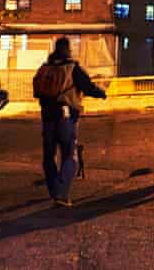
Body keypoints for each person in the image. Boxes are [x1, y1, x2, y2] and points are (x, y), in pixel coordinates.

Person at [33, 37, 106, 207]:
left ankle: (54, 190)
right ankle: (61, 193)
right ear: (68, 50)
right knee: (69, 153)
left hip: (47, 115)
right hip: (66, 114)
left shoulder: (45, 68)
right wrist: (101, 93)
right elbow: (88, 87)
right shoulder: (72, 68)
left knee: (49, 155)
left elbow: (38, 91)